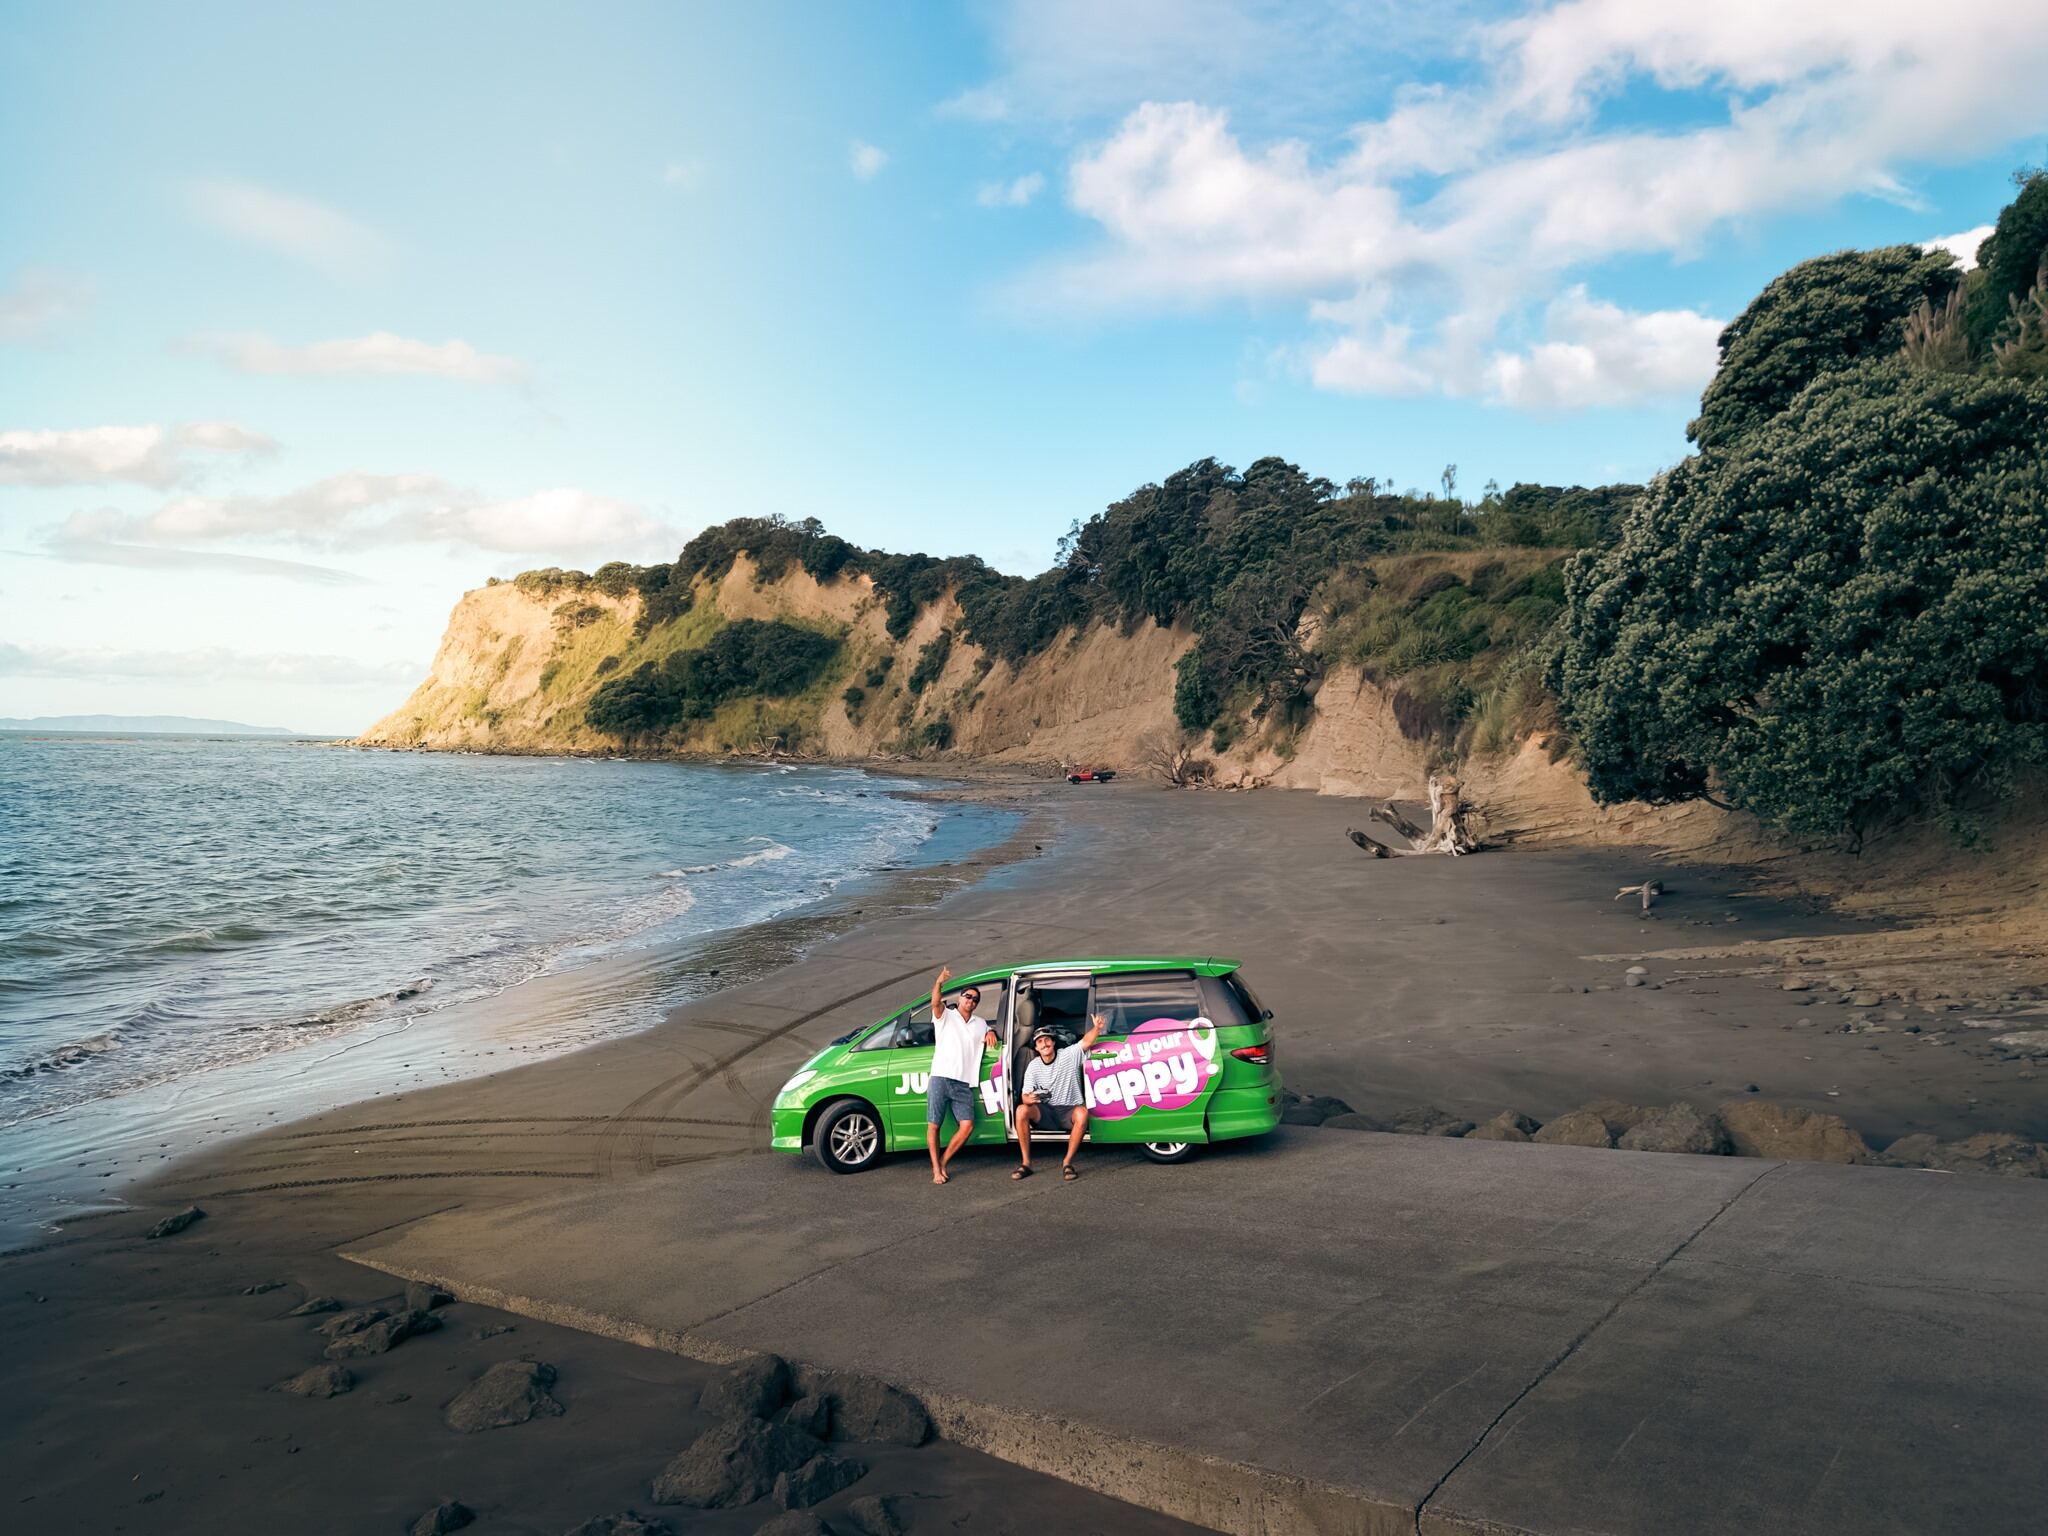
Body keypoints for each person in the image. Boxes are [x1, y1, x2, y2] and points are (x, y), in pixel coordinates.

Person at [1012, 1012, 1106, 1181]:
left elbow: (1086, 1042)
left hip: (1068, 1111)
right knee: (1021, 1110)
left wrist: (1097, 1028)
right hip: (1046, 1112)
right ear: (1036, 1048)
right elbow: (1025, 1096)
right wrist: (1029, 1099)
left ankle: (1067, 1163)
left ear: (1053, 1042)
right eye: (1040, 1042)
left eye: (1047, 1039)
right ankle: (1026, 1163)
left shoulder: (1067, 1055)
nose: (1045, 1043)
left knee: (1082, 1113)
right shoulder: (1033, 1066)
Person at [927, 966, 998, 1186]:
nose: (971, 1001)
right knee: (934, 1126)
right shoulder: (945, 1016)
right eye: (968, 996)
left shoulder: (980, 1023)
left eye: (975, 999)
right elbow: (935, 1002)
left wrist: (991, 1032)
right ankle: (936, 1169)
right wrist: (939, 983)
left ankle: (944, 1161)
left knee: (967, 1125)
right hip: (940, 1077)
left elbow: (989, 1031)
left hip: (964, 1083)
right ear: (960, 998)